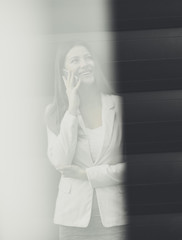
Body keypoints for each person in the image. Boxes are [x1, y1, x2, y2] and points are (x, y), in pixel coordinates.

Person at [45, 41, 127, 240]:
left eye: (88, 57)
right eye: (75, 60)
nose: (85, 64)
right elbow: (61, 162)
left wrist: (86, 174)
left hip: (115, 216)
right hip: (73, 219)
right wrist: (72, 108)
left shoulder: (117, 105)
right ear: (63, 72)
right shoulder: (55, 112)